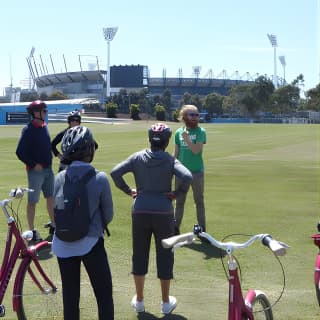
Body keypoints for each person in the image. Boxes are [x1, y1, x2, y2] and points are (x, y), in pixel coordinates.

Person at [110, 123, 192, 315]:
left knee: (139, 254)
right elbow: (187, 176)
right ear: (166, 141)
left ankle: (139, 300)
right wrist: (177, 193)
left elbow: (115, 173)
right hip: (163, 212)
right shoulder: (170, 160)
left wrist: (128, 191)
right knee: (165, 254)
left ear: (150, 139)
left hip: (140, 211)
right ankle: (165, 302)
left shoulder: (138, 157)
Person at [52, 125, 114, 320]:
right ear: (89, 150)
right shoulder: (100, 178)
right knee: (103, 296)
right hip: (91, 243)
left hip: (62, 244)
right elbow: (109, 215)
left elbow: (55, 212)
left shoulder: (59, 178)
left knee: (70, 300)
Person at [16, 100, 55, 242]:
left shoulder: (45, 126)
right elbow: (20, 152)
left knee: (51, 198)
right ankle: (31, 230)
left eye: (46, 110)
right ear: (35, 113)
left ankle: (54, 225)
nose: (46, 113)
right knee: (32, 201)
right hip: (35, 172)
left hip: (48, 170)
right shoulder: (28, 130)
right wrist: (33, 164)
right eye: (44, 111)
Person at [173, 104, 207, 237]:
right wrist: (171, 168)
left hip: (197, 172)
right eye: (192, 114)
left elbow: (196, 151)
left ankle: (203, 231)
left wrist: (187, 139)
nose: (195, 117)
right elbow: (175, 153)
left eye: (197, 115)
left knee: (199, 201)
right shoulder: (178, 133)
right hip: (181, 174)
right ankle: (175, 228)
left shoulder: (201, 132)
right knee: (179, 202)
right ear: (184, 116)